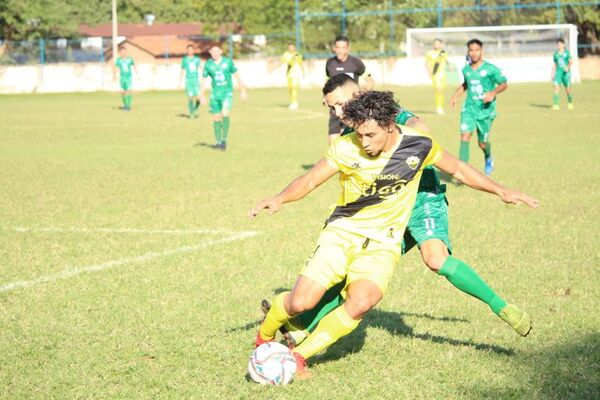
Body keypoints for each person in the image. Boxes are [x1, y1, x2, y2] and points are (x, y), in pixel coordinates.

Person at [250, 90, 538, 377]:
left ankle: (298, 357)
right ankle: (264, 336)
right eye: (359, 134)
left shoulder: (419, 146)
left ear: (390, 125)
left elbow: (459, 170)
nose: (363, 142)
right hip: (342, 233)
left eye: (370, 135)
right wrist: (279, 198)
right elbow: (311, 179)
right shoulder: (345, 147)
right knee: (301, 302)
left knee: (361, 301)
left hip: (382, 244)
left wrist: (502, 190)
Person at [450, 39, 508, 176]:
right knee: (464, 136)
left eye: (477, 50)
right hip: (469, 108)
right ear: (468, 52)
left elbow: (504, 84)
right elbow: (466, 84)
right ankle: (462, 172)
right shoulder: (466, 70)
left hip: (485, 111)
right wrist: (455, 96)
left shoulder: (490, 69)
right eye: (471, 50)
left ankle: (488, 156)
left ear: (482, 51)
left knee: (482, 143)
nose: (474, 53)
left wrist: (493, 93)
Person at [325, 35, 374, 144]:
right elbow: (327, 82)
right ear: (334, 48)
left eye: (343, 47)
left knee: (347, 142)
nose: (340, 51)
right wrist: (325, 98)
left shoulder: (356, 63)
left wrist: (364, 94)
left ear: (348, 48)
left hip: (350, 109)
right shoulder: (330, 63)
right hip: (335, 108)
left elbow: (370, 80)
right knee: (332, 142)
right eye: (338, 47)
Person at [200, 44, 247, 151]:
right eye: (213, 51)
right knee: (216, 117)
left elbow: (237, 76)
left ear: (221, 51)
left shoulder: (228, 62)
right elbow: (203, 80)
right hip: (215, 95)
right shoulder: (208, 65)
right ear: (210, 52)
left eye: (217, 51)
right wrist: (202, 95)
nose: (215, 53)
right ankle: (218, 141)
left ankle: (224, 139)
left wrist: (242, 90)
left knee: (225, 114)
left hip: (227, 94)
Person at [425, 38, 451, 115]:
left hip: (443, 74)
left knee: (442, 91)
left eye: (437, 43)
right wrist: (429, 72)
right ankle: (439, 108)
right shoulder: (429, 53)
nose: (436, 45)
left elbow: (447, 61)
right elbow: (427, 63)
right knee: (438, 90)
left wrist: (450, 66)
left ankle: (441, 107)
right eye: (434, 43)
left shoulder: (443, 53)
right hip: (435, 74)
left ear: (441, 44)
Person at [179, 44, 202, 118]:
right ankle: (191, 113)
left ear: (193, 50)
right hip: (188, 80)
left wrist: (206, 74)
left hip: (196, 80)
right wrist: (180, 81)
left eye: (191, 49)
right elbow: (182, 70)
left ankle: (195, 108)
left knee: (198, 98)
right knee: (190, 97)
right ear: (187, 51)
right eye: (188, 50)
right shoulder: (185, 59)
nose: (190, 51)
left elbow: (200, 67)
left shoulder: (197, 59)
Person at [552, 38, 574, 110]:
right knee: (556, 87)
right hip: (558, 73)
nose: (559, 45)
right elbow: (555, 64)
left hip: (565, 73)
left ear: (564, 45)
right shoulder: (555, 54)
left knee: (567, 90)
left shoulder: (567, 53)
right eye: (558, 44)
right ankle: (556, 105)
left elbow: (571, 61)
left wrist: (567, 67)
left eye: (561, 44)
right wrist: (552, 73)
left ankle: (570, 102)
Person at [114, 47, 138, 111]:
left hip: (129, 77)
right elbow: (116, 68)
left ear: (126, 52)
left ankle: (128, 106)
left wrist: (137, 74)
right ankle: (125, 105)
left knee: (129, 90)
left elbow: (134, 65)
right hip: (122, 78)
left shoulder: (130, 59)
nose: (123, 53)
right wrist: (115, 75)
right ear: (120, 53)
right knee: (123, 92)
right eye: (122, 52)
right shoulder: (119, 60)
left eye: (124, 51)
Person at [281, 43, 303, 110]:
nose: (291, 48)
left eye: (292, 47)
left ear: (294, 48)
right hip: (289, 74)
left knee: (294, 88)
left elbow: (301, 64)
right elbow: (283, 63)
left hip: (296, 74)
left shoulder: (298, 55)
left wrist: (303, 72)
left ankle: (294, 102)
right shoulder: (285, 54)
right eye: (289, 47)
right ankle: (292, 102)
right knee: (290, 88)